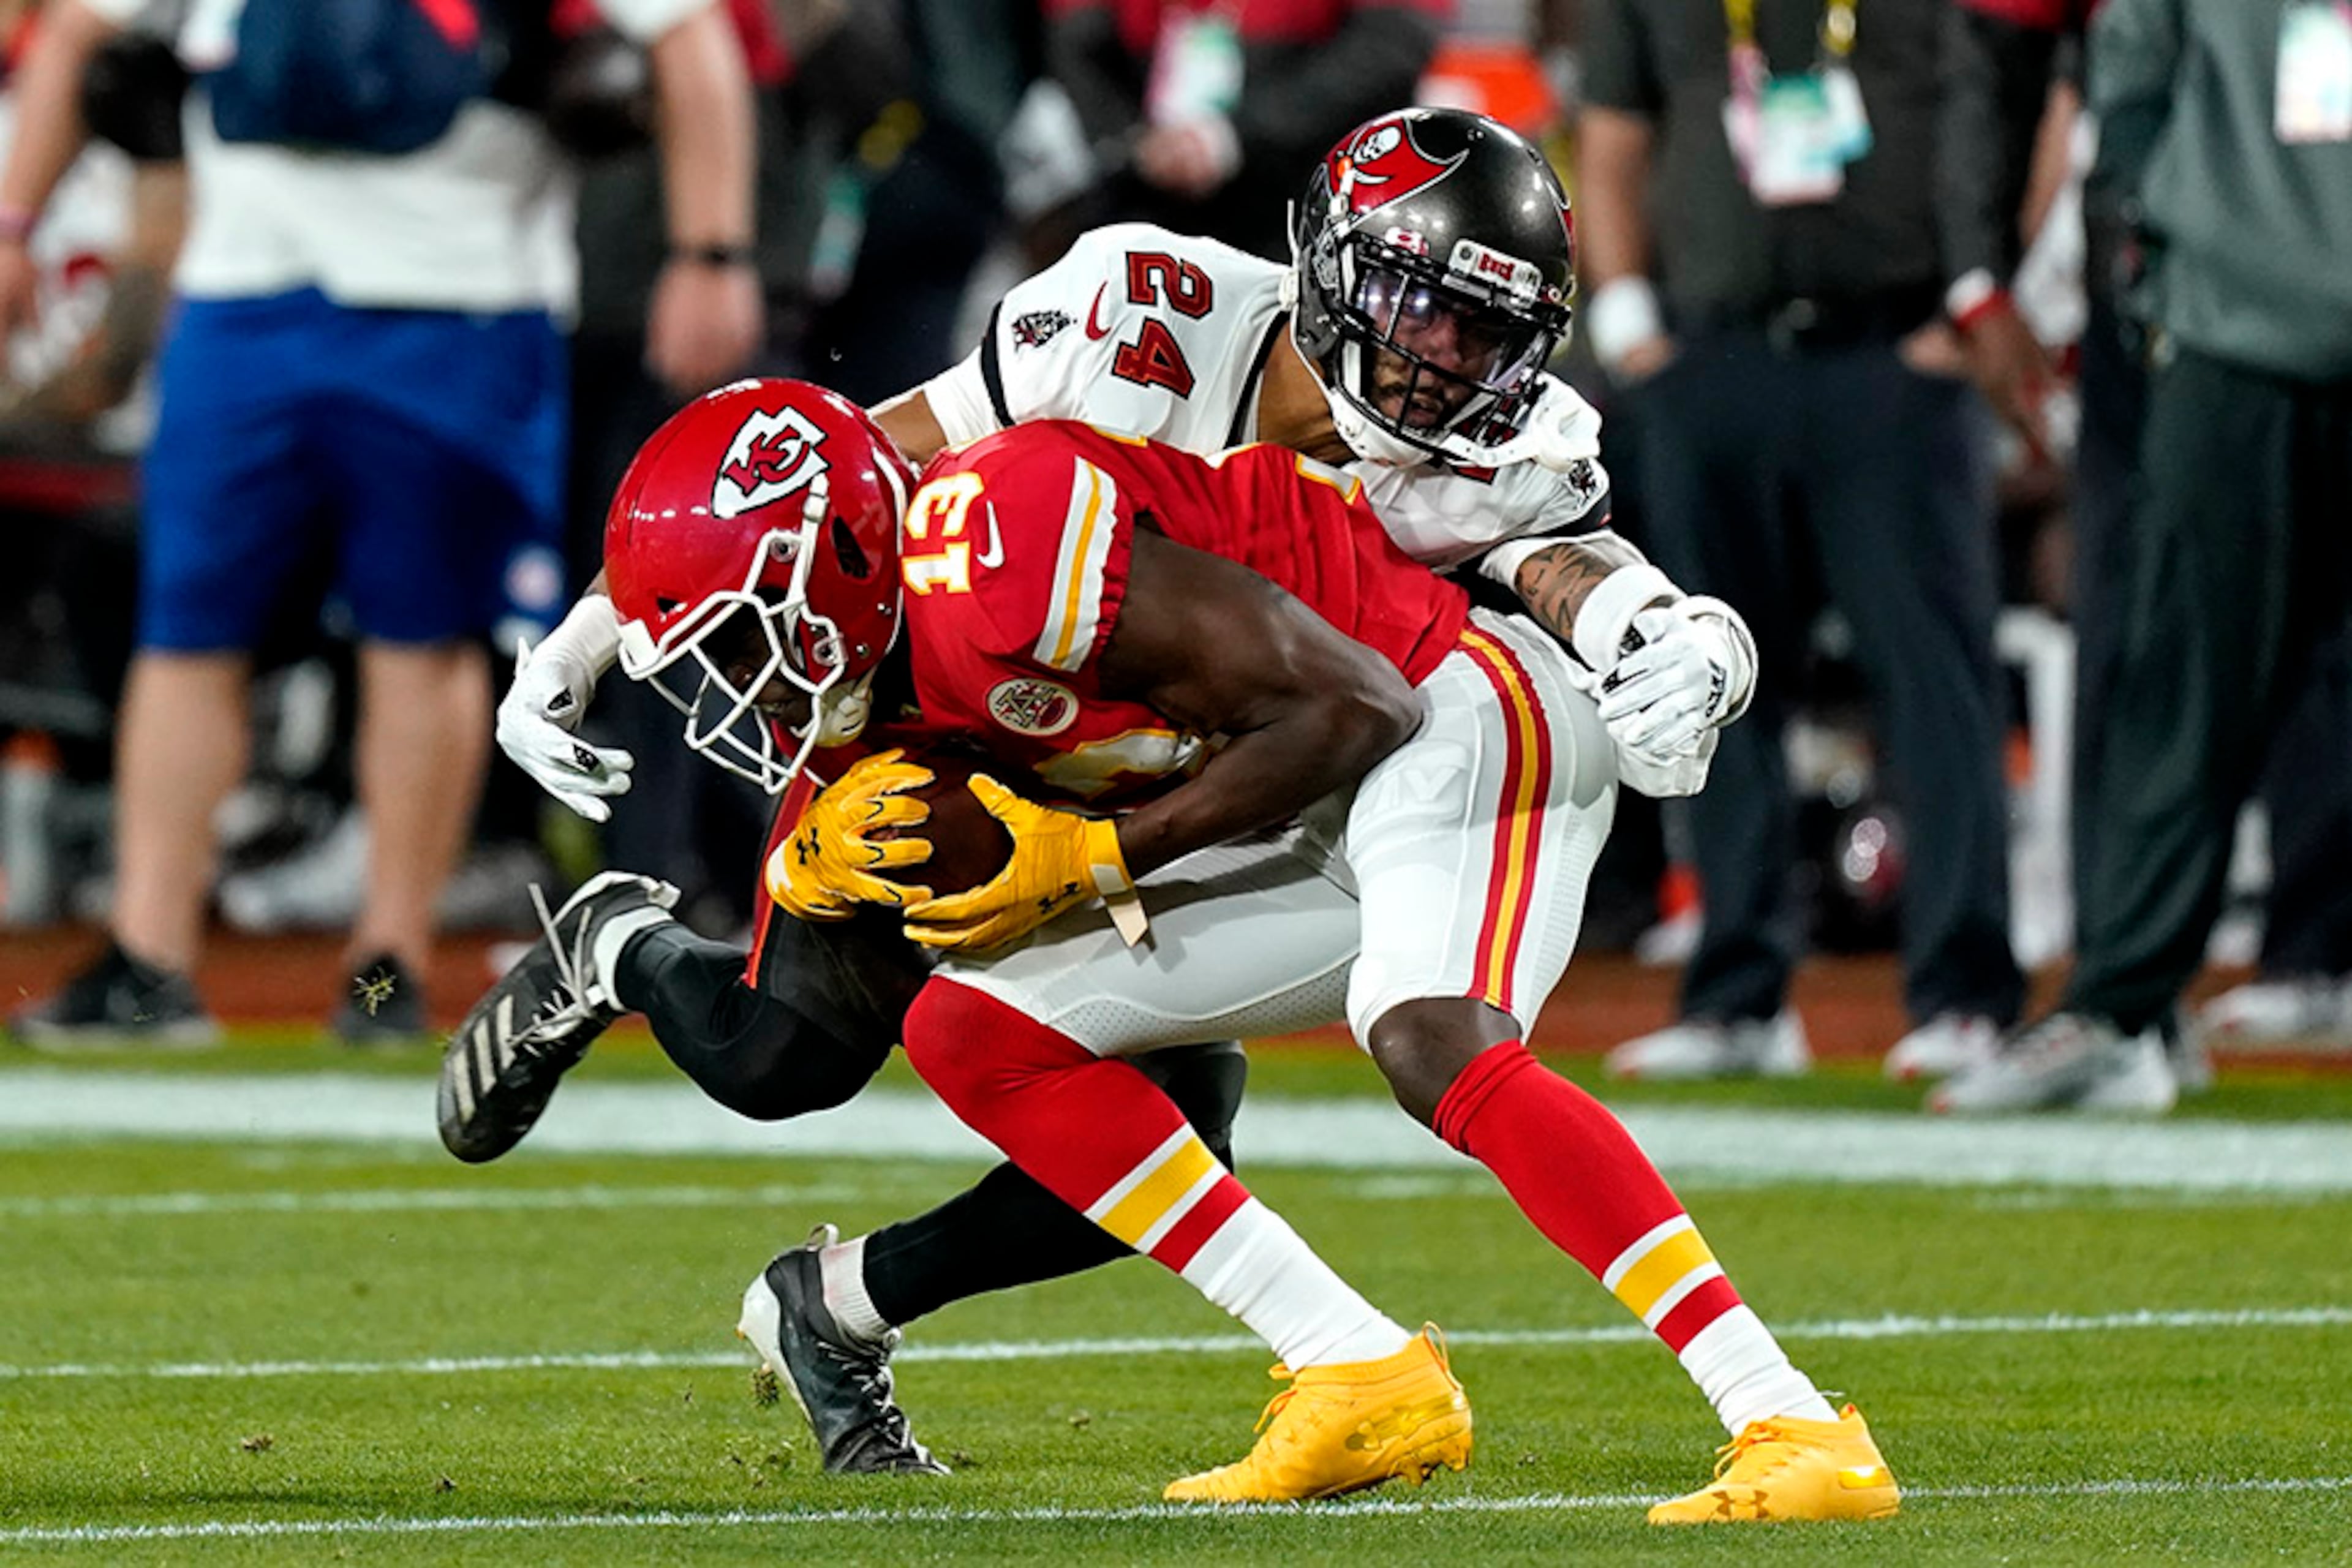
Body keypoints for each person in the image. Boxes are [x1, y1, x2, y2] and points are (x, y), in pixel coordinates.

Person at [560, 374, 1893, 1519]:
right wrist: (819, 862)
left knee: (1433, 1035)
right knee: (977, 1030)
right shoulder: (876, 671)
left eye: (740, 631)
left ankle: (1791, 1418)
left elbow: (1355, 703)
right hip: (1320, 779)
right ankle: (1355, 1368)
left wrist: (1094, 859)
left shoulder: (1007, 546)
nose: (732, 681)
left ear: (841, 562)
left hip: (1453, 693)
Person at [1, 0, 763, 1046]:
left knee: (424, 636)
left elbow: (691, 37)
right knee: (187, 634)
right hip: (247, 295)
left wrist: (710, 251)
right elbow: (77, 33)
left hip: (461, 295)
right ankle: (149, 958)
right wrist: (10, 226)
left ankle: (385, 964)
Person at [1575, 0, 2027, 1082]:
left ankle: (1964, 995)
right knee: (1710, 681)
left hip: (1895, 351)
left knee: (1937, 686)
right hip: (1714, 356)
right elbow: (1613, 125)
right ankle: (1737, 995)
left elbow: (2013, 107)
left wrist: (1974, 300)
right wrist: (1628, 316)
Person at [1934, 0, 2352, 1112]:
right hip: (2233, 342)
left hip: (2231, 328)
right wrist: (2151, 295)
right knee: (2187, 689)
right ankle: (2125, 1008)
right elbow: (2126, 110)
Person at [1046, 0, 1444, 260]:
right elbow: (1078, 37)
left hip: (1305, 197)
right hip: (1144, 186)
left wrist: (1237, 134)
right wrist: (1132, 139)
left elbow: (1393, 46)